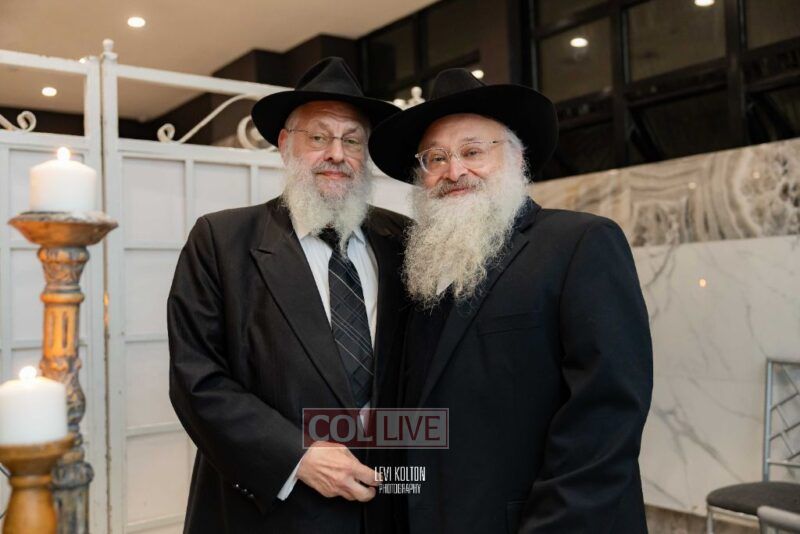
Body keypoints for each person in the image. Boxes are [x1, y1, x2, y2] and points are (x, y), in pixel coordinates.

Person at [368, 68, 653, 534]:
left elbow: (606, 413)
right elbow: (420, 414)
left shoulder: (580, 242)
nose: (454, 172)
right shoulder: (422, 270)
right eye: (436, 158)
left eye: (473, 151)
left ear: (517, 158)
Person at [168, 57, 407, 533]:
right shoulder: (221, 240)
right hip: (271, 510)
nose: (336, 154)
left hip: (387, 503)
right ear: (284, 145)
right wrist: (296, 456)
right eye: (318, 137)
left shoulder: (404, 240)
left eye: (352, 140)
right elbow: (197, 378)